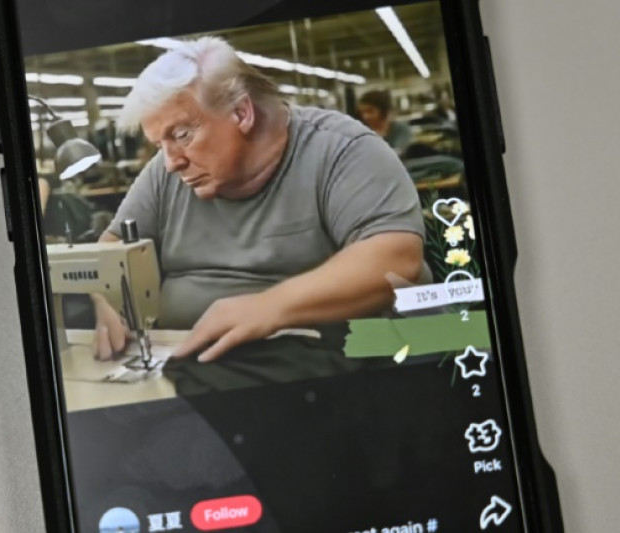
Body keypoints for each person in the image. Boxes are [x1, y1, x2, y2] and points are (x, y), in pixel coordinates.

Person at [90, 37, 426, 389]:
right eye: (160, 144)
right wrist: (108, 299)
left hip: (337, 375)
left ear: (241, 113)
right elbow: (111, 247)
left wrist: (267, 308)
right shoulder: (164, 173)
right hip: (201, 369)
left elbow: (395, 260)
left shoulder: (344, 150)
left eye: (183, 134)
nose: (172, 161)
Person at [356, 90, 413, 156]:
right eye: (362, 112)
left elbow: (397, 152)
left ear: (383, 111)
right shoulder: (361, 131)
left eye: (370, 111)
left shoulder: (400, 128)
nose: (365, 116)